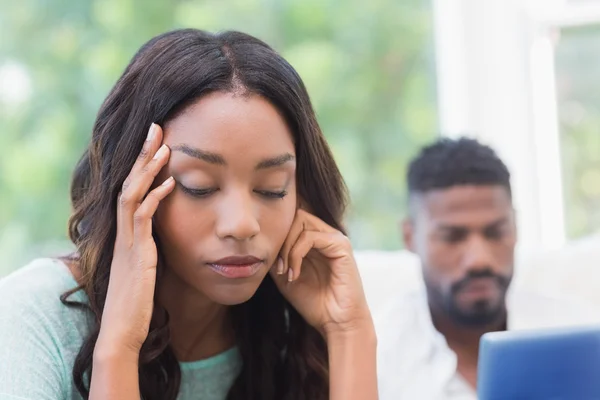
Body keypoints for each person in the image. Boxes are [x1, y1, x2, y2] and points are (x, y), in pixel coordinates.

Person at [0, 29, 377, 400]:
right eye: (199, 187)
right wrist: (118, 346)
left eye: (272, 189)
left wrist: (349, 332)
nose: (242, 224)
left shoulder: (288, 327)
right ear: (132, 186)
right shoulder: (31, 320)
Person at [375, 137, 595, 400]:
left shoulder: (581, 333)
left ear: (515, 227)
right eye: (452, 237)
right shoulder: (375, 357)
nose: (479, 260)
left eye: (495, 232)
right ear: (410, 237)